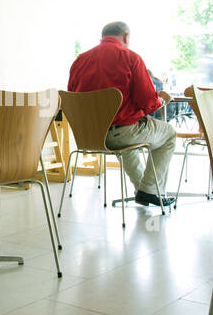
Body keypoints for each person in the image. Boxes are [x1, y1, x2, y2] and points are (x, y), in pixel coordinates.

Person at [68, 21, 176, 207]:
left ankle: (143, 191)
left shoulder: (80, 60)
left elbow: (72, 97)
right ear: (126, 37)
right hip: (121, 134)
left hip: (89, 137)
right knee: (168, 134)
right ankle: (149, 189)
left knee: (128, 145)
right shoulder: (130, 58)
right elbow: (148, 103)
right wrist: (163, 100)